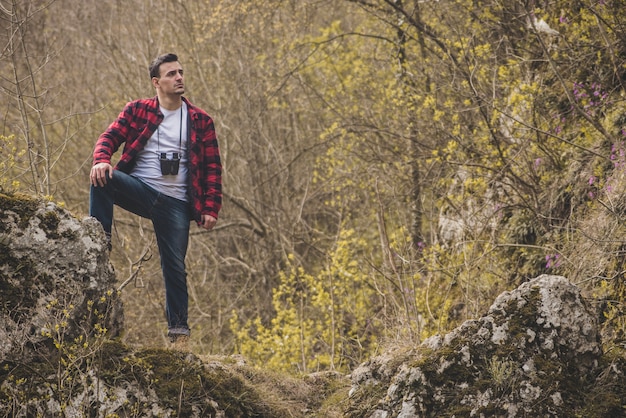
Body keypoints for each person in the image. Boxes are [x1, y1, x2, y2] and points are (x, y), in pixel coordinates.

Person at [89, 53, 222, 345]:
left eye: (181, 72)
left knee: (174, 266)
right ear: (156, 82)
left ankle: (179, 333)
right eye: (171, 74)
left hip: (176, 204)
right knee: (103, 177)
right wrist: (101, 159)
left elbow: (213, 167)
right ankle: (97, 243)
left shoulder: (200, 120)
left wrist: (210, 208)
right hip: (140, 189)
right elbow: (108, 137)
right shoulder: (137, 110)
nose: (179, 78)